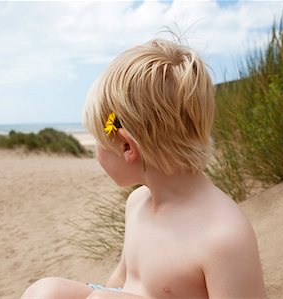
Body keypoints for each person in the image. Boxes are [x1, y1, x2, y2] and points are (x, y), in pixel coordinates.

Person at [21, 38, 267, 299]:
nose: (96, 148)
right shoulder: (137, 203)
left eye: (99, 138)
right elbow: (120, 279)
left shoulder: (223, 236)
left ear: (128, 147)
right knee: (44, 292)